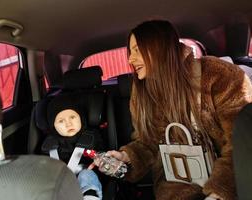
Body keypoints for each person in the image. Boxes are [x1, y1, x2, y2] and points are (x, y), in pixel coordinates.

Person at [95, 20, 252, 200]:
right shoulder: (142, 92)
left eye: (137, 50)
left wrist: (220, 191)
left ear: (160, 48)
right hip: (177, 184)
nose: (130, 59)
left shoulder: (218, 75)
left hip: (231, 180)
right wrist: (126, 156)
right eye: (131, 52)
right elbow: (148, 142)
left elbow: (241, 141)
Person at [41, 99, 103, 200]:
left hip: (86, 179)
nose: (68, 124)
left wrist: (99, 160)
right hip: (60, 185)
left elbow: (102, 154)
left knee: (86, 175)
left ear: (81, 119)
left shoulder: (92, 137)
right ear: (53, 126)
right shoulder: (49, 144)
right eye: (61, 121)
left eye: (72, 117)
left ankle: (90, 196)